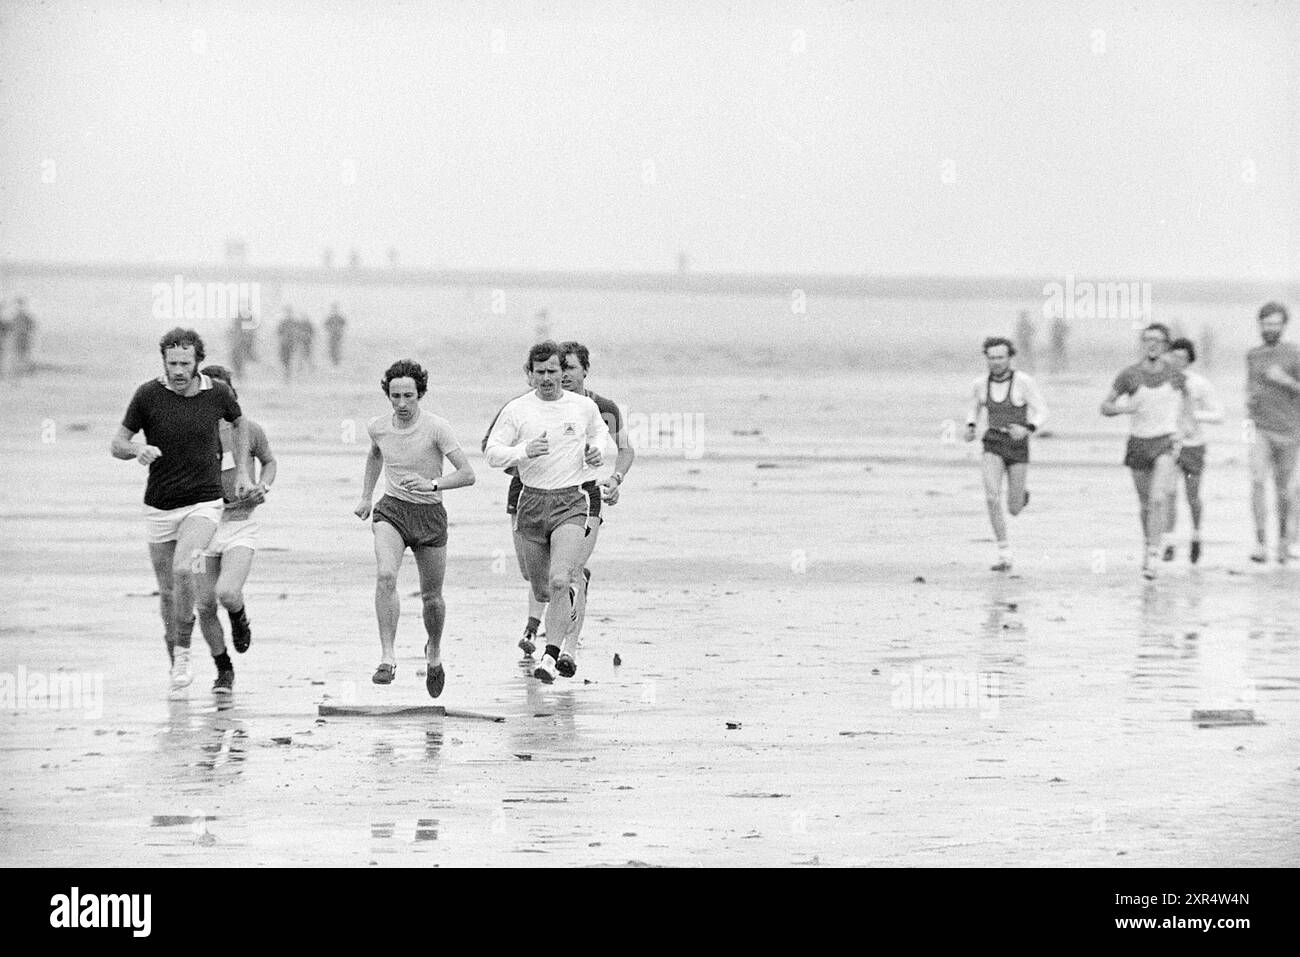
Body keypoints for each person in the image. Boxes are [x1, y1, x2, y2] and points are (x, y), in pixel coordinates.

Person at [111, 328, 251, 694]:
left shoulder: (217, 393)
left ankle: (186, 653)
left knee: (184, 568)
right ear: (164, 362)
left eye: (184, 363)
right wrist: (135, 450)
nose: (177, 370)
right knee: (169, 592)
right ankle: (175, 653)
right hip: (159, 506)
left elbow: (240, 423)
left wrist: (246, 474)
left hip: (204, 503)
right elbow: (117, 443)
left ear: (197, 363)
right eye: (171, 363)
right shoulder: (147, 395)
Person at [485, 341, 611, 683]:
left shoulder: (583, 407)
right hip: (531, 502)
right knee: (540, 588)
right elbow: (492, 453)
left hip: (571, 502)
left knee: (560, 579)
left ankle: (551, 656)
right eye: (539, 372)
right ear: (530, 375)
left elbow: (602, 435)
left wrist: (596, 451)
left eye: (553, 371)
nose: (546, 378)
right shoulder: (517, 410)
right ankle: (558, 618)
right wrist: (524, 451)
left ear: (562, 372)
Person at [354, 359, 475, 697]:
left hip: (429, 516)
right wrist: (366, 496)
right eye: (396, 396)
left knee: (432, 598)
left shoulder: (437, 428)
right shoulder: (378, 427)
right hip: (392, 510)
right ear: (388, 395)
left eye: (409, 395)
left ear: (420, 394)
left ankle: (433, 652)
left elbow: (467, 474)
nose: (402, 404)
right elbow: (376, 455)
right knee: (386, 576)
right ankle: (387, 658)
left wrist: (432, 484)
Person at [193, 365, 277, 693]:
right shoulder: (190, 432)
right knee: (203, 604)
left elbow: (269, 462)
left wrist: (263, 487)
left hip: (239, 525)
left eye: (224, 392)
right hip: (200, 529)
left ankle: (239, 616)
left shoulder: (249, 429)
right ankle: (223, 668)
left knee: (227, 592)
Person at [1100, 323, 1185, 580]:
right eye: (1147, 339)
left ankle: (1153, 556)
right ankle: (1149, 546)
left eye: (1158, 340)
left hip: (1165, 443)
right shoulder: (1129, 375)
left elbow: (1186, 405)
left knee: (1159, 499)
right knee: (1146, 504)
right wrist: (1124, 409)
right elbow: (1105, 406)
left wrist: (1184, 431)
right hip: (1138, 443)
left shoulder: (1175, 374)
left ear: (1166, 345)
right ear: (1142, 343)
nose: (1152, 344)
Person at [964, 336, 1047, 572]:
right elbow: (974, 407)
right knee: (991, 496)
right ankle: (1004, 553)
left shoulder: (1023, 382)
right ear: (986, 359)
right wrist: (970, 426)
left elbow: (1042, 411)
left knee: (1014, 508)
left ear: (1010, 358)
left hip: (1017, 443)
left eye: (1000, 357)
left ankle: (1021, 496)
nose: (996, 362)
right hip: (993, 441)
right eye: (991, 358)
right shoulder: (980, 384)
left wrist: (1028, 428)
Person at [1245, 302, 1300, 564]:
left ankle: (1283, 543)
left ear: (1283, 326)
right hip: (1260, 429)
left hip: (1289, 431)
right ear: (1260, 325)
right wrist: (1250, 401)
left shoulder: (1295, 354)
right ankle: (1259, 542)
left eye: (1276, 324)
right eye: (1267, 324)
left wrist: (1285, 380)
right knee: (1256, 480)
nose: (1271, 329)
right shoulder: (1253, 355)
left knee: (1284, 492)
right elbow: (1251, 387)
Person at [1163, 338, 1223, 564]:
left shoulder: (1200, 384)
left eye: (1182, 357)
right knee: (1169, 494)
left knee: (1192, 496)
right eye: (1174, 356)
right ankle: (1168, 541)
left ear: (1189, 360)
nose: (1177, 361)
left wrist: (1195, 415)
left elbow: (1219, 414)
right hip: (1170, 444)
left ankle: (1196, 536)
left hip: (1194, 446)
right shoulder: (1164, 382)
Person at [12, 298, 35, 375]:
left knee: (23, 353)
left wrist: (27, 332)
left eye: (20, 305)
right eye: (18, 305)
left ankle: (23, 369)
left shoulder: (25, 317)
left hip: (23, 337)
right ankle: (20, 369)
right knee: (19, 353)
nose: (19, 307)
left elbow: (32, 326)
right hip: (18, 337)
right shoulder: (16, 317)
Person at [277, 307, 297, 382]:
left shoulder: (293, 322)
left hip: (290, 344)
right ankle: (286, 372)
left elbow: (296, 333)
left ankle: (288, 373)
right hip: (284, 344)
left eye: (289, 312)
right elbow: (278, 332)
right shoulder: (283, 322)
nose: (288, 314)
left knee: (289, 359)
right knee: (284, 359)